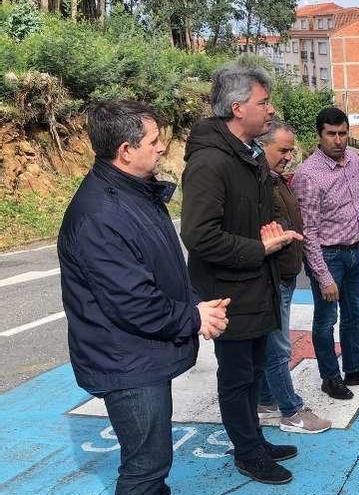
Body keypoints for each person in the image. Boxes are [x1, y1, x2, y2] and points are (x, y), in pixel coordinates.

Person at [58, 101, 229, 494]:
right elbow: (133, 302)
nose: (161, 148)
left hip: (138, 355)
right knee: (145, 467)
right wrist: (194, 317)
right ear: (125, 150)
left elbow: (160, 267)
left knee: (152, 462)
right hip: (126, 362)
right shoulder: (100, 215)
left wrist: (196, 305)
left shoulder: (133, 194)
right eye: (153, 141)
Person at [181, 64, 301, 485]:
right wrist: (259, 246)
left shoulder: (247, 155)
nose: (270, 111)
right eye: (262, 103)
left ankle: (254, 440)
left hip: (255, 285)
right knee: (236, 377)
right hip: (228, 294)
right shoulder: (211, 162)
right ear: (237, 108)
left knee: (253, 373)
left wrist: (267, 233)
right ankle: (248, 453)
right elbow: (198, 236)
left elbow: (242, 219)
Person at [291, 107, 359, 401]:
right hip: (328, 256)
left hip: (354, 252)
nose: (338, 140)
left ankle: (354, 369)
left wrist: (358, 247)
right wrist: (322, 276)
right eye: (331, 134)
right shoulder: (308, 175)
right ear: (319, 135)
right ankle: (330, 378)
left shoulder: (355, 163)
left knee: (354, 314)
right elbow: (308, 232)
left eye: (343, 133)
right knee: (325, 320)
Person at [255, 120, 332, 434]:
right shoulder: (258, 182)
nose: (288, 156)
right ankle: (291, 410)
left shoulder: (273, 179)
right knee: (278, 347)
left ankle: (265, 398)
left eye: (290, 149)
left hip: (283, 273)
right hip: (272, 275)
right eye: (283, 149)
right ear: (262, 146)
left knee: (270, 343)